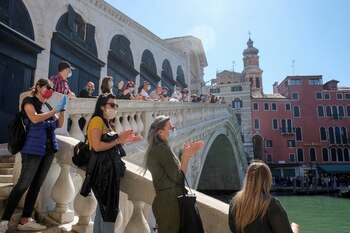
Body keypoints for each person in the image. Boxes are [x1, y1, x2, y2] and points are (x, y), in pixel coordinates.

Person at [0, 78, 66, 232]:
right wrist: (53, 112)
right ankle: (4, 220)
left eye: (51, 87)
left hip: (48, 150)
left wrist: (62, 109)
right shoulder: (29, 101)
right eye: (47, 87)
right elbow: (34, 118)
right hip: (32, 150)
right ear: (38, 87)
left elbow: (58, 124)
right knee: (23, 184)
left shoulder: (48, 105)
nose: (50, 89)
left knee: (36, 186)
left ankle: (25, 219)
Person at [86, 93, 141, 233]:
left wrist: (125, 140)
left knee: (103, 210)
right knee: (109, 210)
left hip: (106, 171)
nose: (115, 108)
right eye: (112, 105)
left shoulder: (107, 124)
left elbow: (109, 145)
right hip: (102, 172)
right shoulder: (97, 120)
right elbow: (97, 146)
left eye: (116, 105)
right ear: (102, 106)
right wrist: (117, 141)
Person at [142, 115, 204, 233]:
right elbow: (178, 178)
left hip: (168, 202)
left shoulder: (161, 147)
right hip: (169, 204)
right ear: (160, 132)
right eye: (171, 128)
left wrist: (187, 156)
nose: (173, 130)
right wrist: (186, 157)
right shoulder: (161, 149)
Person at [228, 160, 300, 233]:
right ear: (267, 180)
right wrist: (295, 228)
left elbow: (233, 228)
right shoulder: (272, 204)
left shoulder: (235, 201)